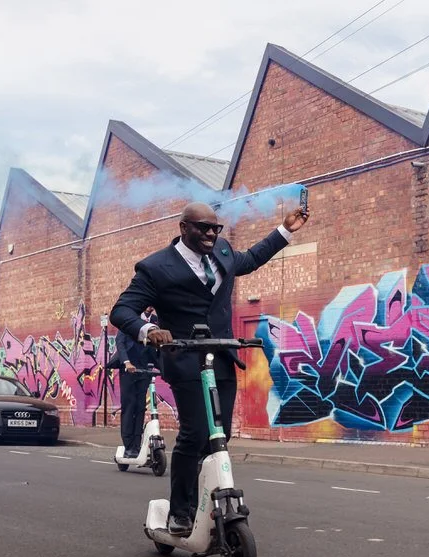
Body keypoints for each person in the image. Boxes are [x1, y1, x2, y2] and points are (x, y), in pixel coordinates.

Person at [110, 201, 309, 536]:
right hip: (184, 358)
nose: (210, 235)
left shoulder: (223, 252)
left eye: (215, 229)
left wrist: (285, 230)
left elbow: (251, 259)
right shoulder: (156, 267)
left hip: (221, 356)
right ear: (183, 227)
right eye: (203, 228)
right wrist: (149, 330)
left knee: (220, 435)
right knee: (195, 433)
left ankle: (204, 501)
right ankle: (180, 511)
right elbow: (122, 311)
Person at [108, 307, 159, 458]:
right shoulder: (131, 317)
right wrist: (126, 362)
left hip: (144, 369)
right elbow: (120, 342)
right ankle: (128, 445)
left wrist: (164, 368)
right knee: (129, 407)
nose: (150, 306)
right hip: (129, 369)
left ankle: (137, 445)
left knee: (140, 408)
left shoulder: (155, 321)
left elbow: (156, 347)